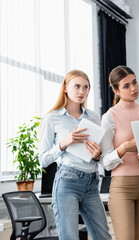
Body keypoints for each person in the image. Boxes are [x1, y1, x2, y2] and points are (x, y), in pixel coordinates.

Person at [39, 70, 111, 240]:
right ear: (65, 88)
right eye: (77, 86)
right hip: (67, 182)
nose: (82, 92)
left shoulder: (93, 117)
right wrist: (64, 143)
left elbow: (100, 155)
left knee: (103, 237)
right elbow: (43, 160)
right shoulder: (52, 118)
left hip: (92, 182)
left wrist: (97, 155)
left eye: (86, 87)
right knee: (70, 237)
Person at [100, 66, 139, 240]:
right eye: (126, 86)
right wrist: (123, 148)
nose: (134, 88)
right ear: (116, 90)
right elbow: (105, 162)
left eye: (135, 82)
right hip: (123, 187)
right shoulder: (110, 117)